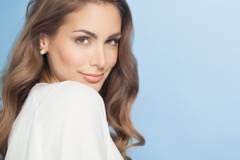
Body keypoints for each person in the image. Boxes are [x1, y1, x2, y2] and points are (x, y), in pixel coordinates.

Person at [0, 0, 145, 159]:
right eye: (83, 39)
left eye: (112, 41)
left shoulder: (35, 108)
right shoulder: (76, 99)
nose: (101, 61)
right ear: (43, 40)